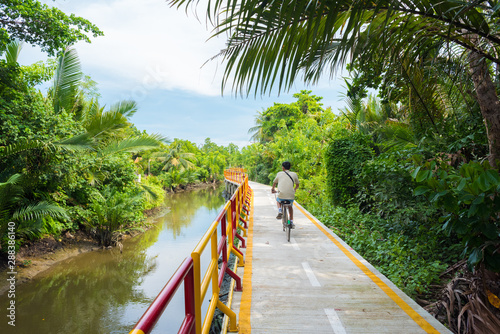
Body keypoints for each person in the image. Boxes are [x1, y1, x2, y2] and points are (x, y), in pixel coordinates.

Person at [271, 161, 299, 228]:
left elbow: (274, 183)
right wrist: (294, 190)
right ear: (290, 167)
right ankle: (291, 222)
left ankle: (280, 210)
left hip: (281, 195)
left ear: (283, 168)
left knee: (278, 200)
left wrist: (273, 189)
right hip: (290, 196)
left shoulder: (279, 174)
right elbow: (297, 185)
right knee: (290, 207)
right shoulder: (294, 174)